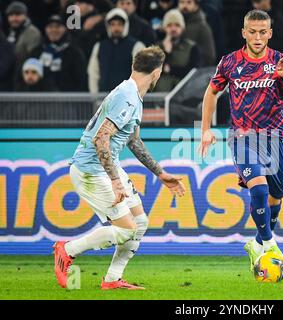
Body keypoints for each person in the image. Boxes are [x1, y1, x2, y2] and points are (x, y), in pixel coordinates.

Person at [53, 46, 186, 290]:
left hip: (105, 167)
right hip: (91, 170)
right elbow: (101, 138)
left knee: (140, 223)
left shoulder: (132, 94)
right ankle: (67, 250)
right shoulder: (127, 96)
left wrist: (160, 173)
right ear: (157, 73)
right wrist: (115, 181)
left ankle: (113, 279)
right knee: (126, 230)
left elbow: (133, 141)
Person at [199, 10, 283, 273]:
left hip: (275, 139)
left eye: (263, 32)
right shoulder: (229, 62)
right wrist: (205, 129)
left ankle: (258, 243)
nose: (258, 37)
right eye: (252, 31)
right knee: (259, 190)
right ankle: (270, 245)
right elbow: (211, 92)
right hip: (242, 138)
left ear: (270, 33)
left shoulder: (282, 62)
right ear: (244, 33)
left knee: (275, 199)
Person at [88, 8, 145, 93]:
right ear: (108, 26)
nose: (116, 28)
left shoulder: (137, 46)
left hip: (127, 99)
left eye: (119, 24)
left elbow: (141, 74)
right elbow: (93, 73)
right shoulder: (99, 46)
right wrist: (95, 97)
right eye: (112, 24)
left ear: (125, 25)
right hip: (104, 99)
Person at [29, 15, 88, 92]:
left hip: (69, 100)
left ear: (65, 29)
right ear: (46, 29)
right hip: (41, 100)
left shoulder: (75, 53)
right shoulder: (37, 52)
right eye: (50, 27)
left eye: (58, 26)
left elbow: (82, 80)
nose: (54, 30)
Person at [154, 9, 201, 92]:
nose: (173, 29)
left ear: (182, 28)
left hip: (183, 96)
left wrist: (170, 69)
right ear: (164, 28)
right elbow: (153, 72)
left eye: (177, 25)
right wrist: (166, 52)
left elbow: (193, 73)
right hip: (159, 95)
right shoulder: (156, 48)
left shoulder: (191, 47)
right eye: (169, 25)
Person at [178, 0, 216, 66]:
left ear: (196, 5)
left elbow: (210, 56)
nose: (185, 6)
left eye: (189, 2)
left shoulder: (203, 27)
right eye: (182, 2)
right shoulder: (172, 25)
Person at [6, 1, 42, 66]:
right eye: (11, 15)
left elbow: (32, 59)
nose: (14, 18)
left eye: (17, 14)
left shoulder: (32, 32)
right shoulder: (12, 31)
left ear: (25, 15)